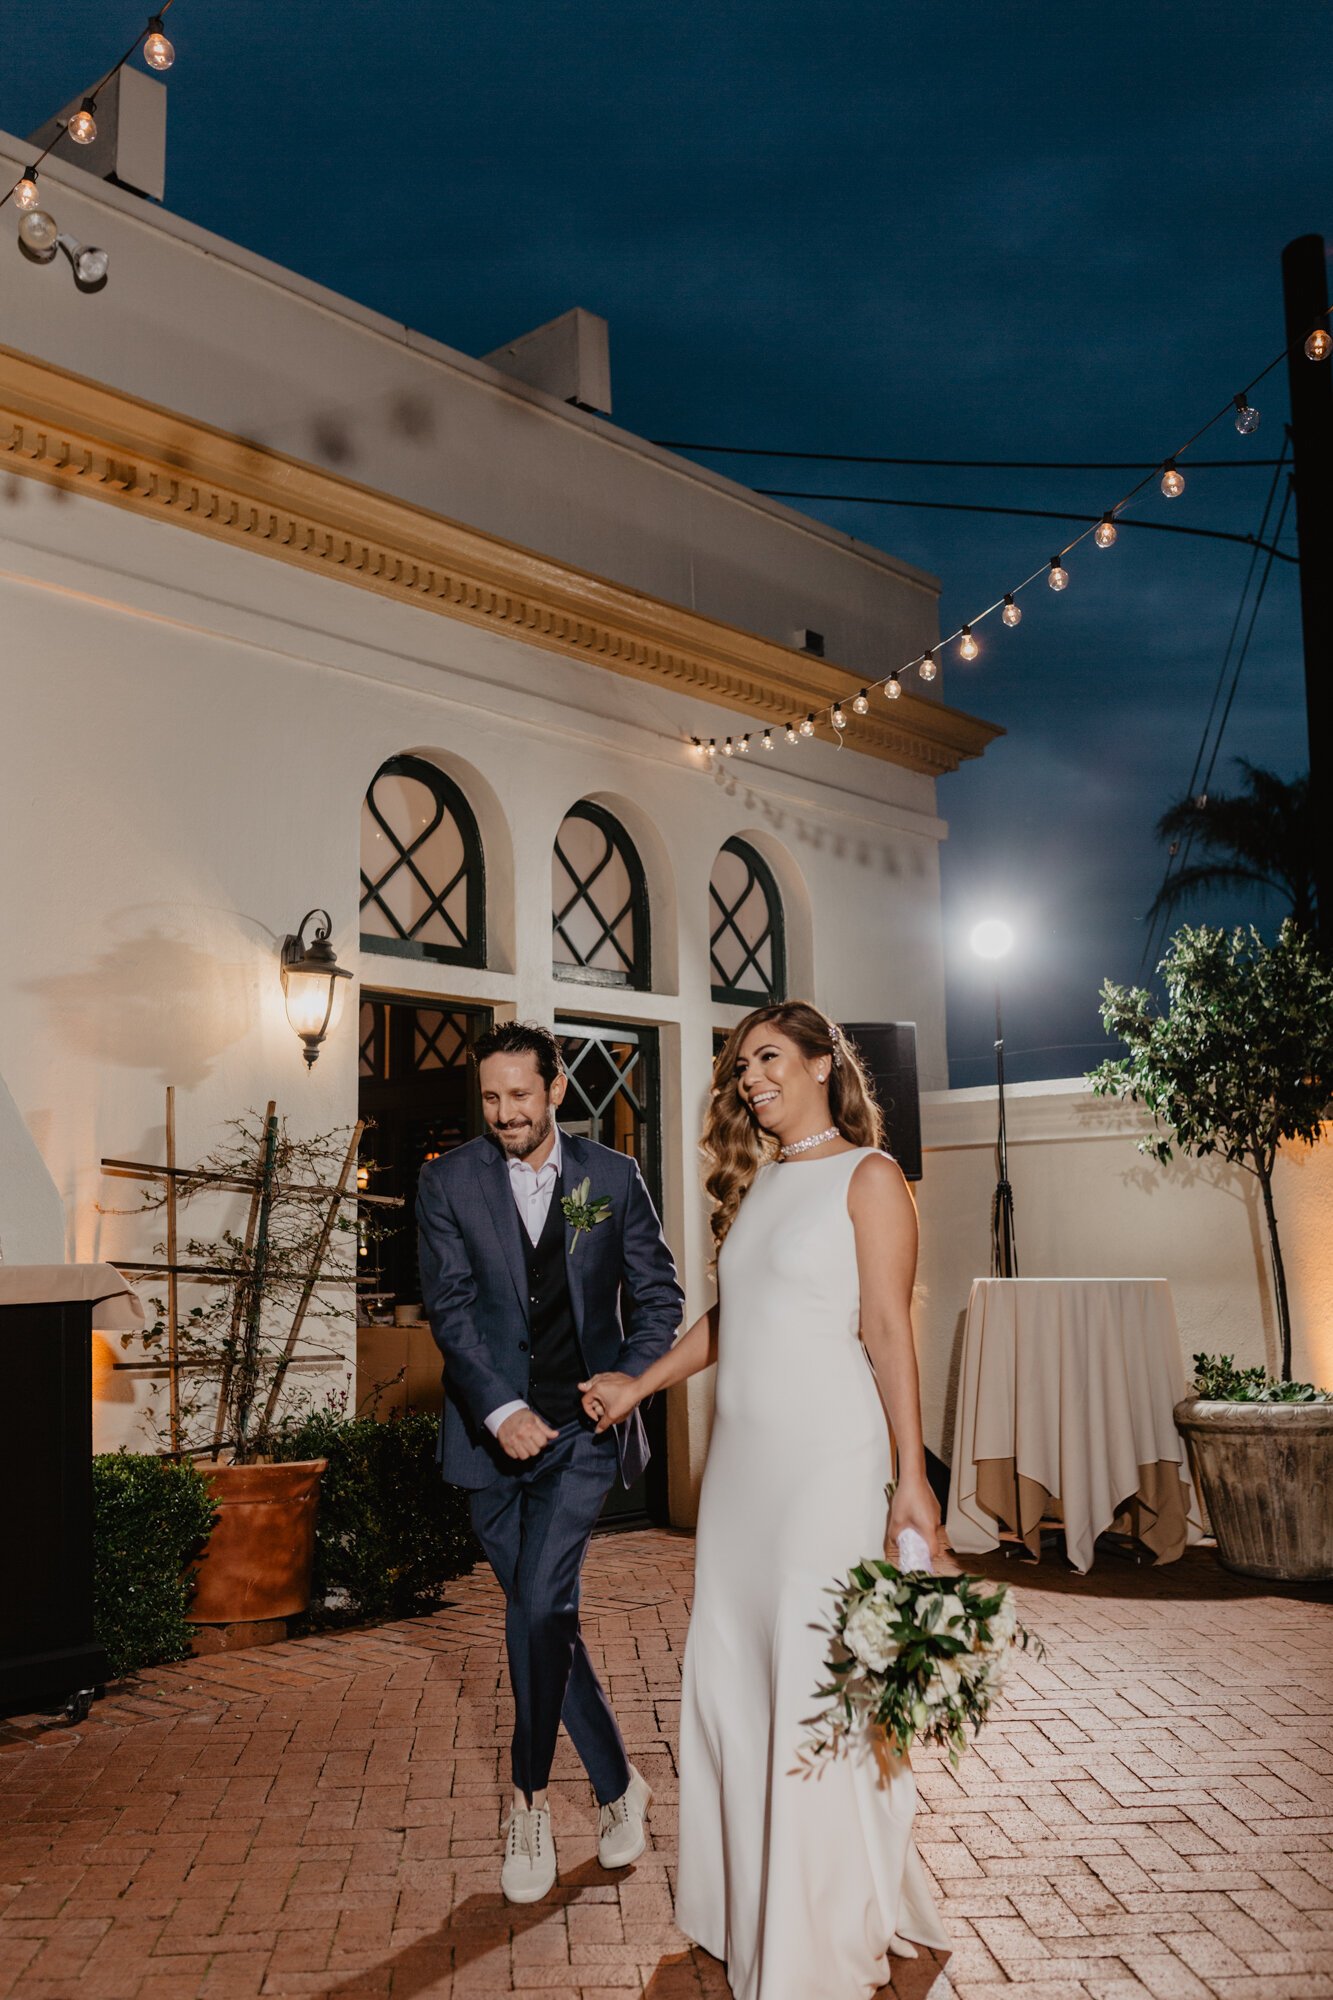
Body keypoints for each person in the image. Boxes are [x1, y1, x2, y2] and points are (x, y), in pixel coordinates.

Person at [579, 1001, 951, 1999]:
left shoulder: (869, 1177)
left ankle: (817, 1928)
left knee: (810, 1679)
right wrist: (638, 1381)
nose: (751, 1077)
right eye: (743, 1064)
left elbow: (883, 1326)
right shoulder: (768, 1182)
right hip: (741, 1478)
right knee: (735, 1682)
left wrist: (910, 1477)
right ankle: (745, 1905)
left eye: (771, 1057)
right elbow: (729, 1319)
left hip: (826, 1464)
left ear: (825, 1063)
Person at [417, 1022, 684, 1905]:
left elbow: (658, 1297)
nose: (505, 1114)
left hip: (582, 1432)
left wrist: (629, 1378)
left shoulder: (609, 1179)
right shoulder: (446, 1181)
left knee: (537, 1603)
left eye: (520, 1096)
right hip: (492, 1439)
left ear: (555, 1088)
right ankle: (618, 1787)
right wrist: (501, 1411)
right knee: (547, 1622)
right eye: (491, 1099)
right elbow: (451, 1313)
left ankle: (527, 1799)